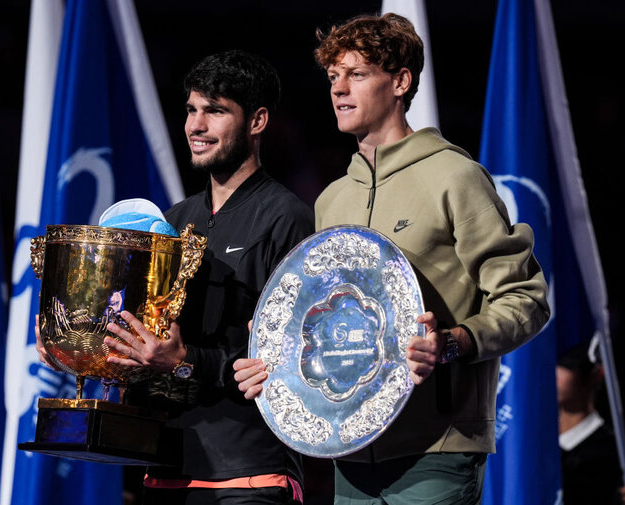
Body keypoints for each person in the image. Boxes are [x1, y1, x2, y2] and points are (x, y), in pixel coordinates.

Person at [235, 13, 550, 504]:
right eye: (333, 77)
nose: (339, 89)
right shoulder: (332, 200)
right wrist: (271, 359)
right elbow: (319, 322)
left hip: (437, 449)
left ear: (401, 82)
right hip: (349, 452)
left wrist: (454, 342)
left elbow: (525, 298)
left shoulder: (454, 177)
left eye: (356, 74)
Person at [39, 50, 313, 504]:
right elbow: (143, 344)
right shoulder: (173, 220)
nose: (196, 126)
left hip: (249, 475)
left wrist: (184, 360)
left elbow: (289, 361)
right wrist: (76, 339)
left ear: (258, 121)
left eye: (216, 111)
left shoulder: (287, 219)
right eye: (191, 110)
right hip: (165, 471)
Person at [557, 339, 625, 505]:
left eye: (568, 366)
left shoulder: (614, 450)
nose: (555, 374)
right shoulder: (531, 436)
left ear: (596, 374)